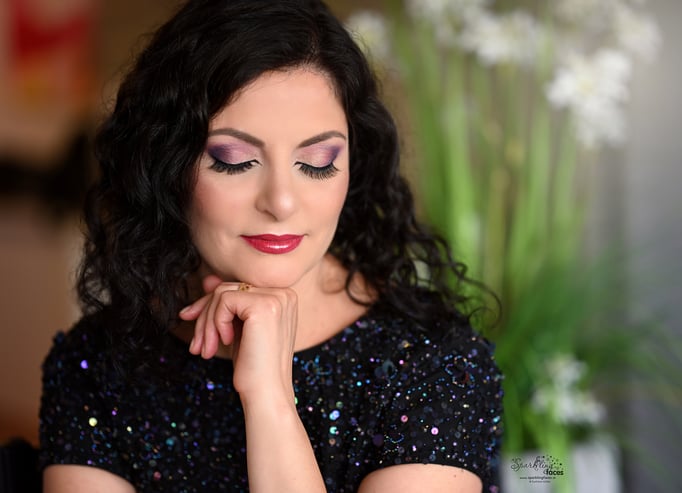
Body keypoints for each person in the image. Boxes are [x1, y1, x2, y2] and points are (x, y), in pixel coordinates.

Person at [38, 0, 503, 491]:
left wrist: (270, 399)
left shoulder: (435, 364)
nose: (281, 202)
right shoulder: (95, 366)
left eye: (318, 162)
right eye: (234, 160)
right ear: (165, 166)